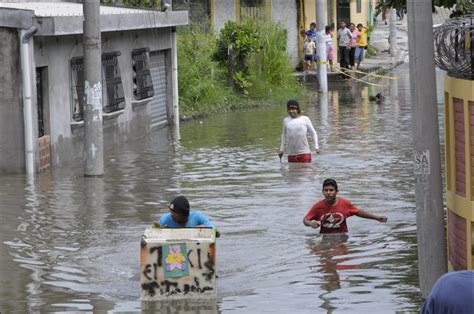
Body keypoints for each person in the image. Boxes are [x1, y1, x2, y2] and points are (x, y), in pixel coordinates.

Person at [303, 178, 387, 233]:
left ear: (337, 192)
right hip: (325, 237)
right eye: (326, 190)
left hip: (342, 237)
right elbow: (305, 219)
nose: (328, 193)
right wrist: (310, 223)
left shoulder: (345, 203)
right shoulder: (318, 206)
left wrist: (377, 218)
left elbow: (358, 212)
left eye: (331, 190)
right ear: (322, 191)